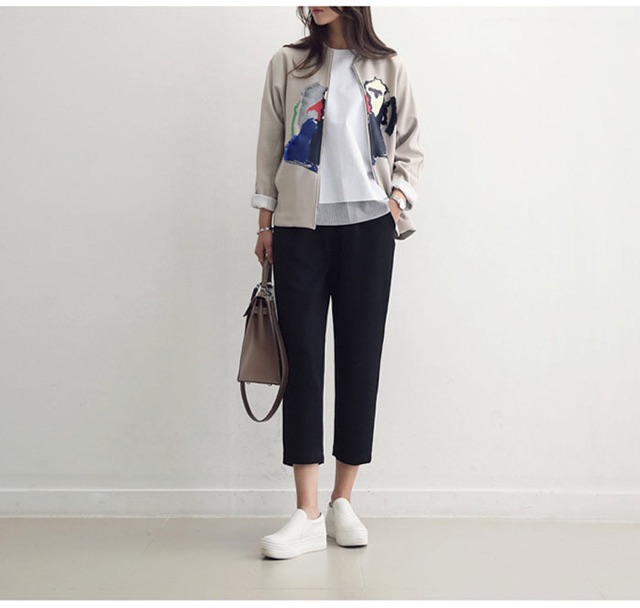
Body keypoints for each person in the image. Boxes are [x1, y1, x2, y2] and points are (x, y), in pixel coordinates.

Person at [251, 6, 424, 560]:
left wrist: (396, 201)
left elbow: (410, 143)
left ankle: (342, 501)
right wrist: (265, 221)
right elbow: (271, 143)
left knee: (359, 360)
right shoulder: (289, 63)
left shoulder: (388, 66)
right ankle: (306, 511)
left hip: (369, 229)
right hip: (300, 228)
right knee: (301, 361)